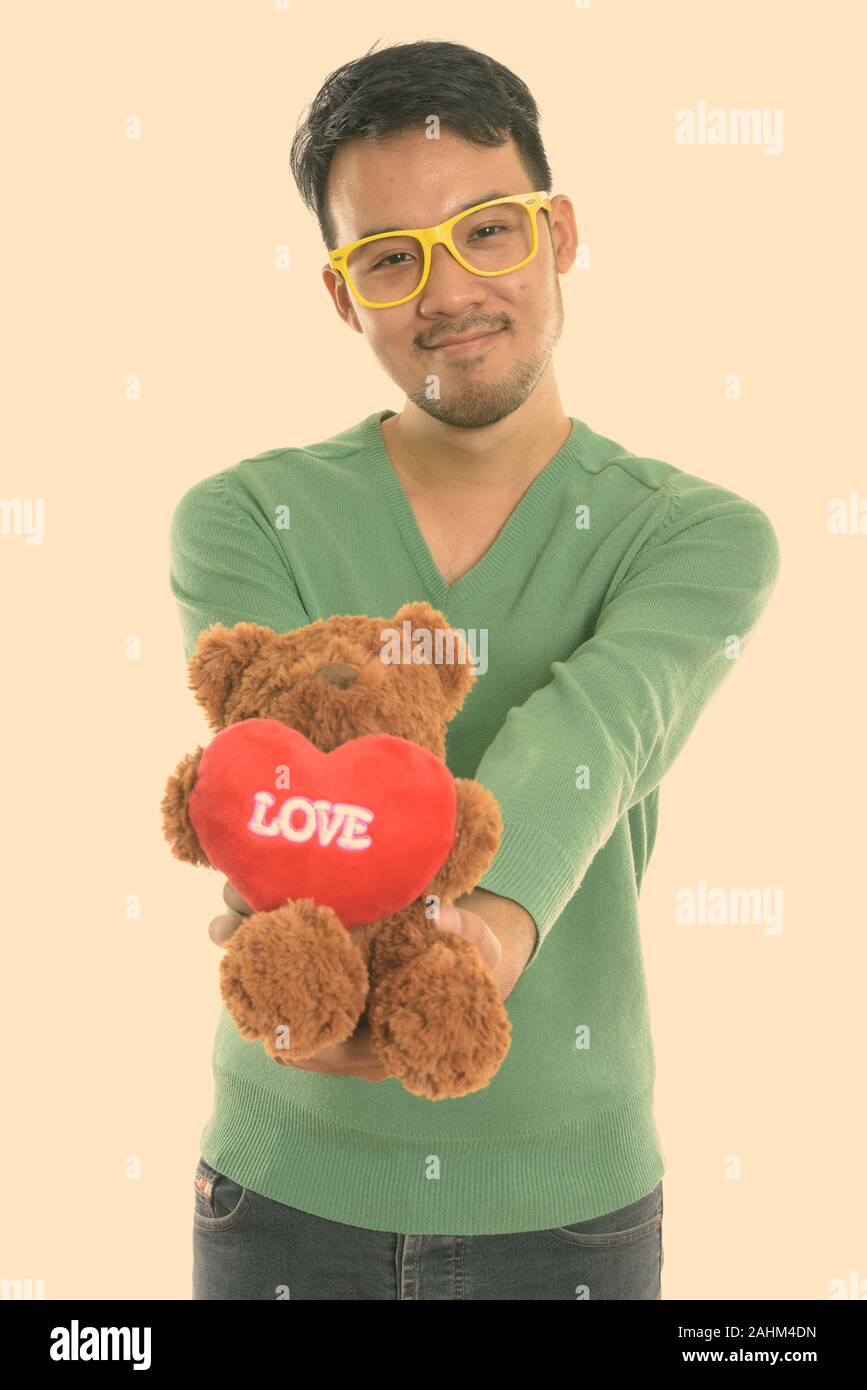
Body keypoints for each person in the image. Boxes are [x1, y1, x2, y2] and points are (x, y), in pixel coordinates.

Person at [172, 39, 780, 1300]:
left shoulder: (697, 537)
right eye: (390, 256)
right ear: (346, 297)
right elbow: (270, 792)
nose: (447, 290)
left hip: (570, 1213)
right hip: (283, 1186)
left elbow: (599, 726)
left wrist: (481, 933)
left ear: (557, 233)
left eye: (487, 231)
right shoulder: (239, 517)